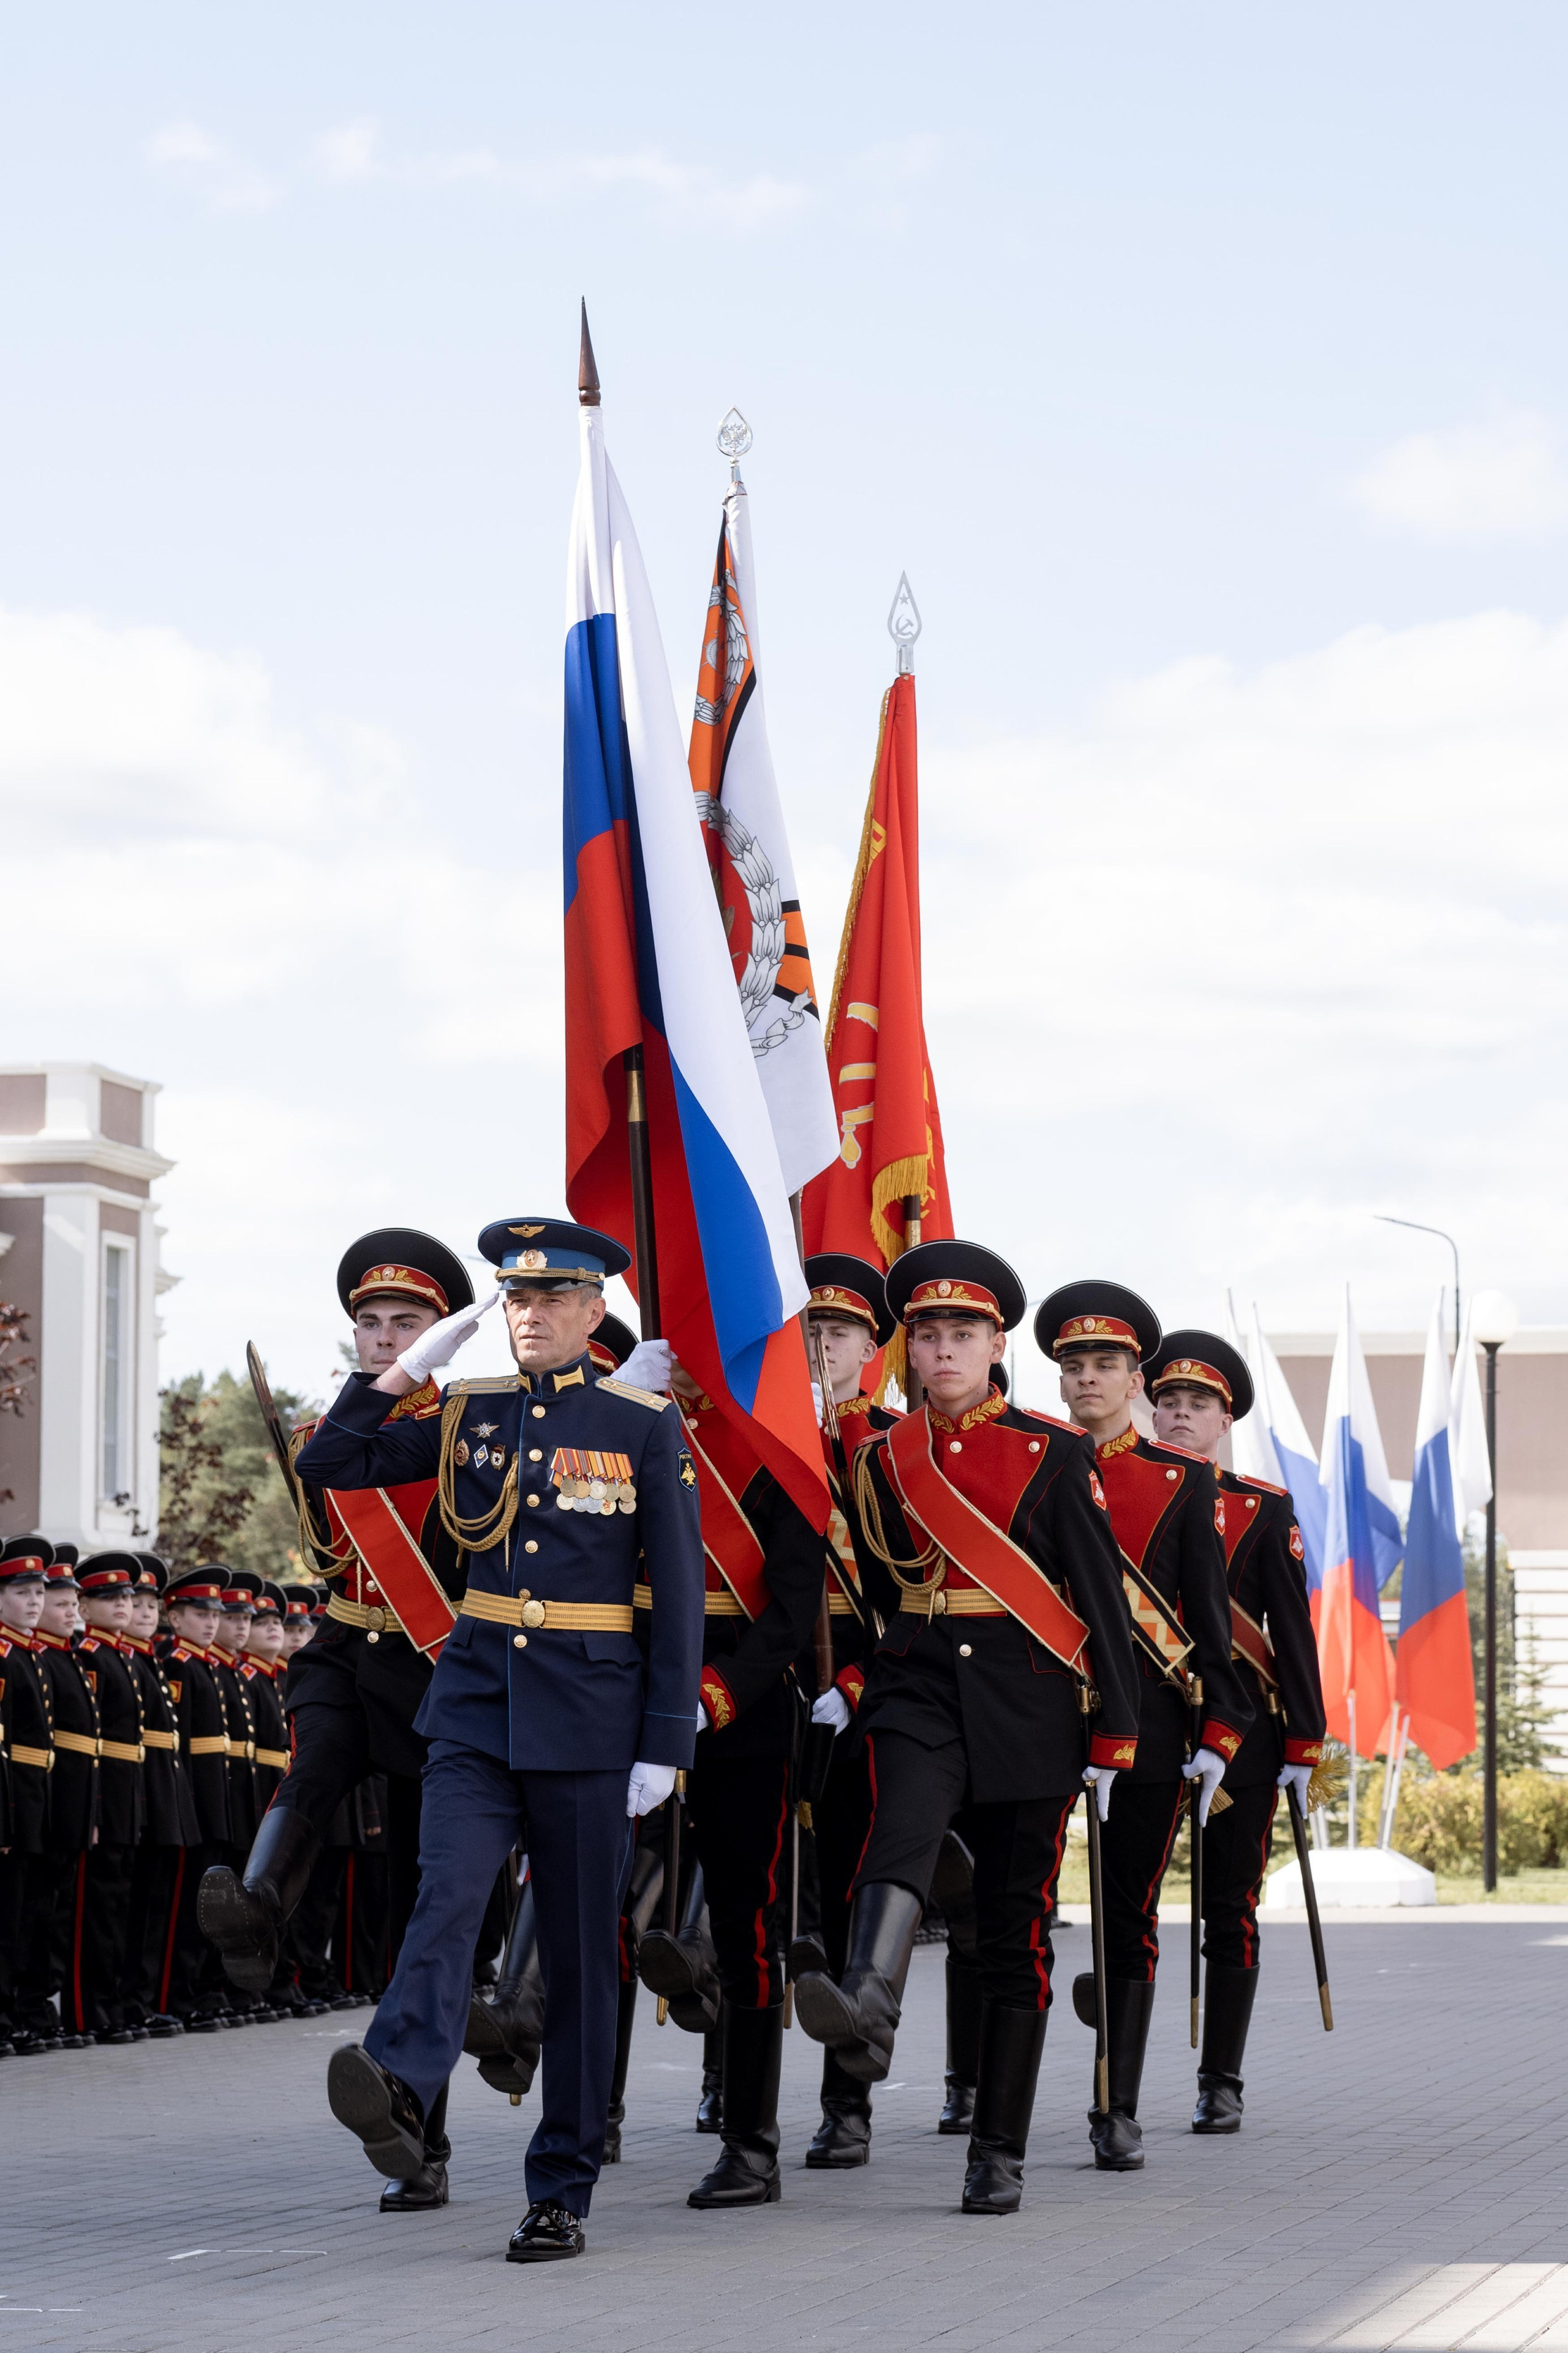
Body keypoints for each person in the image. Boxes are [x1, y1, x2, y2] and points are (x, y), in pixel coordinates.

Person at [295, 1216, 704, 2263]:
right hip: (476, 1706)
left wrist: (665, 1741)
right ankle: (397, 2076)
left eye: (553, 1297)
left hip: (591, 1719)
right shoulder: (465, 1410)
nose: (531, 1314)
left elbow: (678, 1591)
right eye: (516, 1298)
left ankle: (562, 2184)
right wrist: (401, 1375)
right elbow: (334, 1461)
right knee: (445, 1896)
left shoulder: (640, 1422)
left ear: (594, 1309)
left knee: (577, 1956)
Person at [795, 1242, 1142, 2216]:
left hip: (1030, 1699)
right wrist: (859, 1673)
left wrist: (1116, 1734)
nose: (944, 1351)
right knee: (896, 1834)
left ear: (996, 1347)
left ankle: (998, 2148)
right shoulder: (881, 1458)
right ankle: (868, 1998)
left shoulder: (1055, 1452)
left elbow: (1100, 1602)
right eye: (929, 1335)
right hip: (917, 1686)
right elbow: (874, 1589)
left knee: (1012, 1931)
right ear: (907, 1350)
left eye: (963, 1333)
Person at [1035, 1282, 1254, 2173]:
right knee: (1017, 1905)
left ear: (1135, 1379)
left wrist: (1220, 1729)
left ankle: (1114, 2105)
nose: (1088, 1378)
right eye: (1074, 1365)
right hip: (1034, 1709)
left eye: (1106, 1364)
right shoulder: (1030, 1457)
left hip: (1151, 1724)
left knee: (1127, 1913)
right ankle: (975, 2087)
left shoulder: (1180, 1478)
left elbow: (1209, 1618)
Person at [632, 1346, 824, 2209]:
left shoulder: (774, 1444)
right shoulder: (622, 1427)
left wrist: (710, 1697)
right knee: (600, 1912)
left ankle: (750, 2144)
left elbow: (792, 1609)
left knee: (747, 1926)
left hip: (736, 1705)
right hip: (625, 1695)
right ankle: (587, 2115)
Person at [1143, 1329, 1327, 2131]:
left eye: (1198, 1404)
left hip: (1244, 1730)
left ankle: (1221, 2079)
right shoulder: (1118, 1491)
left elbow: (1291, 1630)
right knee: (1132, 1900)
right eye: (1169, 1402)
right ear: (1151, 1411)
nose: (1181, 1414)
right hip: (1148, 1717)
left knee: (1229, 1905)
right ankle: (1118, 2080)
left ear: (1225, 1421)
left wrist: (1305, 1740)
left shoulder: (1262, 1506)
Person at [797, 1253, 900, 2167]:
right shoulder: (763, 1435)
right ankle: (728, 2081)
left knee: (844, 1898)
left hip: (861, 1688)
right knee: (751, 1893)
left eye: (841, 1331)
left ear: (873, 1348)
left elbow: (915, 1597)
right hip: (764, 1676)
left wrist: (856, 1684)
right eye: (811, 1328)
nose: (823, 1342)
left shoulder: (894, 1447)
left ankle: (847, 2103)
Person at [21, 1548, 99, 2049]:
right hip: (36, 1802)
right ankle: (26, 2005)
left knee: (52, 1910)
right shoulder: (38, 1657)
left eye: (74, 1604)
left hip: (62, 1802)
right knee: (30, 1911)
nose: (71, 1612)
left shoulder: (64, 1658)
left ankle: (36, 2004)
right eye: (62, 1603)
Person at [72, 1554, 149, 2042]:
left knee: (120, 1905)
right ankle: (88, 2009)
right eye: (109, 1597)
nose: (123, 1604)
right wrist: (96, 1808)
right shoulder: (89, 1657)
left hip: (129, 1796)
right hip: (105, 1796)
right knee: (96, 1909)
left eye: (126, 1597)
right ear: (85, 1607)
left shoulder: (123, 1657)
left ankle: (114, 2003)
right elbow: (95, 1744)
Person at [121, 1553, 197, 2037]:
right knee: (132, 1910)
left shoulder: (147, 1662)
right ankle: (131, 2000)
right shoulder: (145, 1662)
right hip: (138, 1799)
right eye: (138, 1604)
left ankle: (143, 1999)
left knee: (153, 1908)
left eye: (152, 1605)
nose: (145, 1613)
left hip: (163, 1798)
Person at [159, 1568, 236, 2030]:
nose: (211, 1623)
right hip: (195, 1804)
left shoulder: (207, 1665)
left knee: (212, 1905)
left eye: (214, 1615)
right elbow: (181, 1746)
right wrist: (185, 1805)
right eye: (200, 1614)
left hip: (217, 1802)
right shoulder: (179, 1665)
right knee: (188, 1906)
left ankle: (202, 1988)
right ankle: (180, 1992)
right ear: (176, 1618)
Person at [0, 1538, 56, 2057]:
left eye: (40, 1591)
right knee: (7, 1918)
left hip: (36, 1802)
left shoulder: (29, 1654)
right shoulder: (5, 1656)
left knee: (28, 1916)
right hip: (13, 1803)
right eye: (23, 1592)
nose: (35, 1601)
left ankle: (19, 2012)